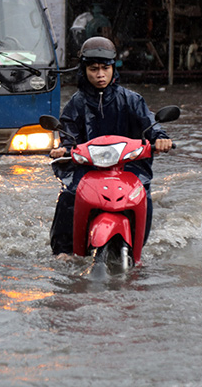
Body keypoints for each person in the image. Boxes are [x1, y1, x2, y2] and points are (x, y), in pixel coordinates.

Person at [48, 36, 173, 256]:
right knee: (69, 195)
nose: (100, 75)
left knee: (142, 193)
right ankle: (64, 253)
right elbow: (68, 136)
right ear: (84, 70)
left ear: (113, 69)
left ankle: (138, 247)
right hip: (87, 168)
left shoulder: (131, 100)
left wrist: (161, 138)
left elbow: (150, 124)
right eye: (93, 69)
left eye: (105, 68)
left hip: (129, 167)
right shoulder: (76, 103)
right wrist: (63, 149)